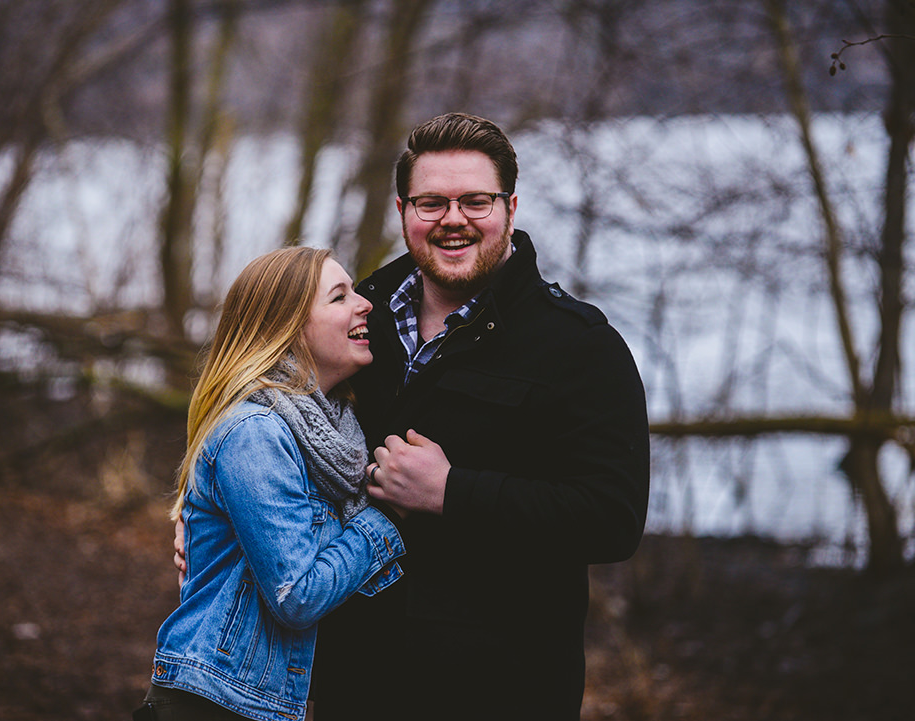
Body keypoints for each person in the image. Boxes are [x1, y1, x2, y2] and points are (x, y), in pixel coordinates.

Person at [178, 113, 650, 719]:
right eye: (432, 203)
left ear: (510, 207)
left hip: (502, 691)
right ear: (403, 209)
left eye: (474, 201)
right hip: (352, 686)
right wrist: (207, 512)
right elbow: (259, 398)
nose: (453, 220)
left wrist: (453, 492)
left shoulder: (578, 346)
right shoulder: (357, 318)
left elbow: (612, 520)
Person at [138, 247, 406, 721]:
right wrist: (387, 516)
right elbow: (296, 596)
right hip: (218, 703)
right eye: (339, 297)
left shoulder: (334, 432)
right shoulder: (256, 432)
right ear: (288, 328)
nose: (365, 304)